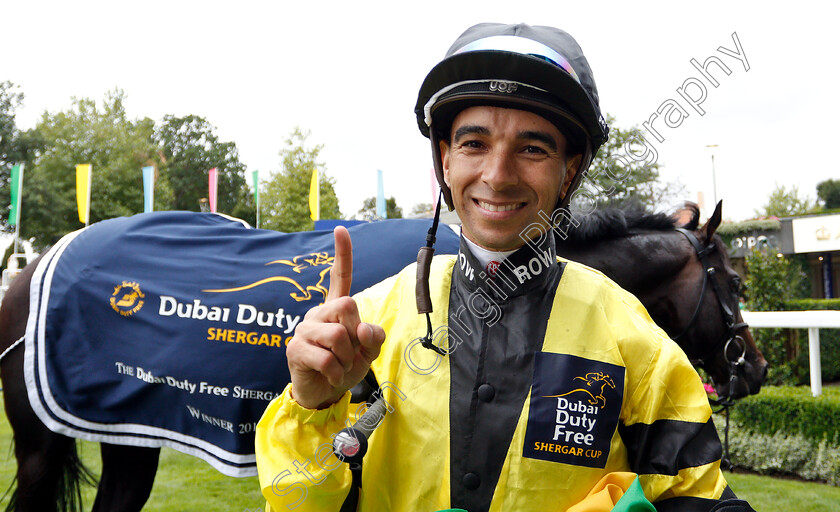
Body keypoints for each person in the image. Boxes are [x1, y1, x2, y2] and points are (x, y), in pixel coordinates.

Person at [255, 22, 754, 512]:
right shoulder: (368, 325)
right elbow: (305, 503)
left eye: (532, 149)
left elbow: (697, 497)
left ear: (569, 171)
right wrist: (312, 408)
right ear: (445, 161)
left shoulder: (632, 336)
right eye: (474, 144)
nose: (497, 176)